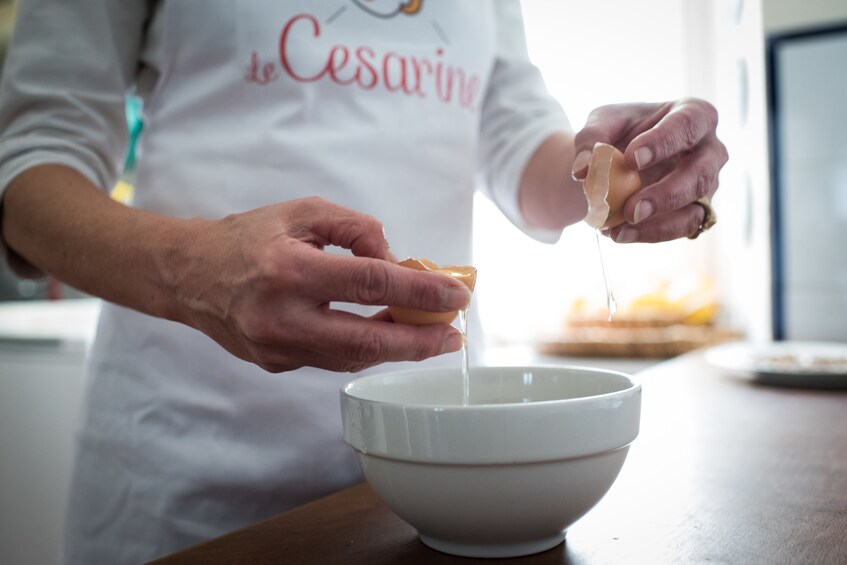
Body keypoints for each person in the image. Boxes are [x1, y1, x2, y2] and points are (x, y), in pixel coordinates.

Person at [0, 1, 727, 563]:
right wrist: (196, 269)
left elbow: (522, 153)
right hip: (185, 476)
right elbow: (30, 167)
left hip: (438, 480)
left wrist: (619, 166)